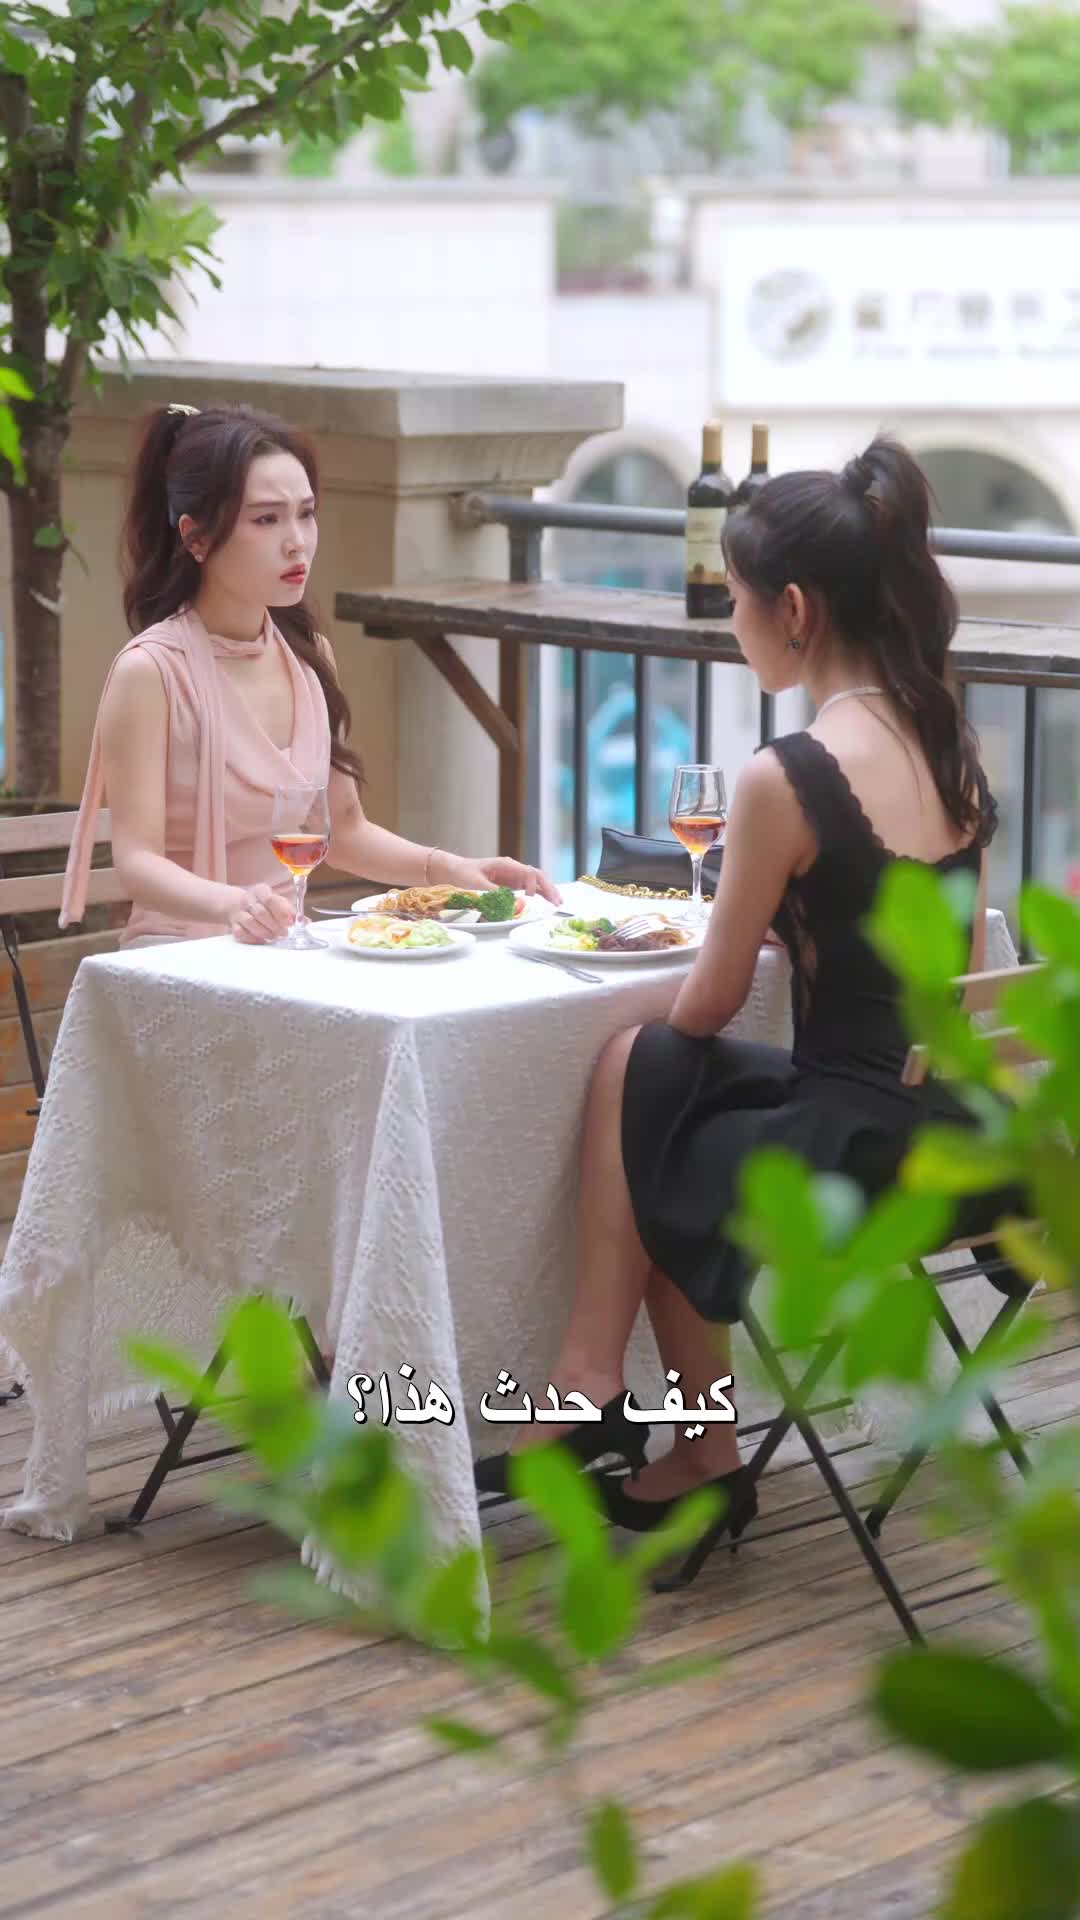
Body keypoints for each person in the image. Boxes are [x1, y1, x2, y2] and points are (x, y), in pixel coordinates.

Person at [475, 436, 998, 1542]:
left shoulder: (786, 777)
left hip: (863, 1150)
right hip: (956, 1125)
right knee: (651, 1078)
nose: (731, 623)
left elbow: (707, 1005)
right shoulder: (951, 743)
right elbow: (956, 972)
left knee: (655, 1090)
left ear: (794, 610)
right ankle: (662, 1430)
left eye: (739, 601)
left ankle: (613, 1400)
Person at [60, 402, 558, 946]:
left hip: (287, 944)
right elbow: (137, 861)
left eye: (306, 513)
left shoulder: (309, 656)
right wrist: (234, 905)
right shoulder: (150, 672)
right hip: (181, 952)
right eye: (266, 519)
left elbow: (344, 832)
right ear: (196, 537)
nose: (297, 540)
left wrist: (453, 870)